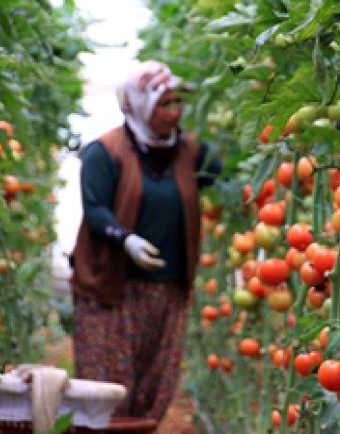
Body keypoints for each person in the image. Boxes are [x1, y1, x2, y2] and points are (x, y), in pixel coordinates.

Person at [69, 61, 222, 421]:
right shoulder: (104, 152)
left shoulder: (190, 152)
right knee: (109, 383)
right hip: (111, 290)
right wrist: (127, 241)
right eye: (164, 104)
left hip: (167, 290)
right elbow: (95, 210)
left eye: (178, 103)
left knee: (156, 381)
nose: (175, 113)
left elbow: (231, 180)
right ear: (137, 105)